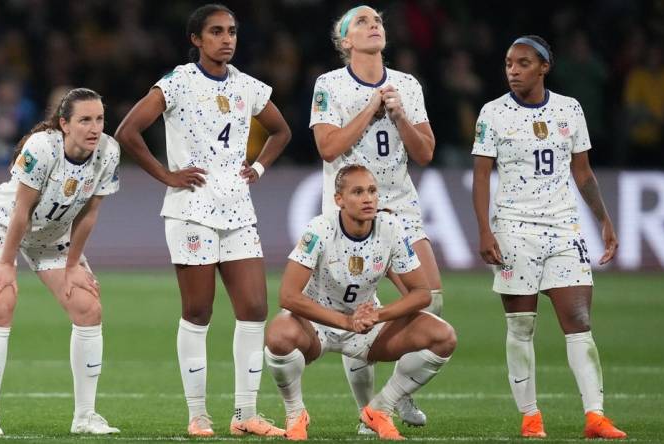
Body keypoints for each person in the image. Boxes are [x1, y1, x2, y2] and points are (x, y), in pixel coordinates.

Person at [114, 4, 291, 438]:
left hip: (237, 208)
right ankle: (198, 415)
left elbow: (281, 131)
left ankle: (245, 413)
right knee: (199, 310)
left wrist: (260, 168)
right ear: (196, 40)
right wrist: (166, 176)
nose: (227, 39)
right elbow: (127, 132)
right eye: (216, 32)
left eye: (231, 31)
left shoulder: (248, 86)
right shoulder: (177, 82)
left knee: (254, 308)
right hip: (191, 209)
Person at [471, 35, 627, 440]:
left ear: (544, 67)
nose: (513, 70)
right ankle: (531, 418)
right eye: (508, 63)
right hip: (514, 229)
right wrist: (485, 229)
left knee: (578, 321)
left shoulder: (569, 109)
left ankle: (595, 416)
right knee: (521, 326)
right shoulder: (493, 113)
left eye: (523, 63)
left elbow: (583, 172)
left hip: (563, 227)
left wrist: (605, 221)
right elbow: (482, 175)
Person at [309, 5, 440, 432]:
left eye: (378, 20)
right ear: (345, 41)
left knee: (430, 302)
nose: (374, 25)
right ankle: (369, 412)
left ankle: (394, 398)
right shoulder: (329, 85)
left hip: (400, 207)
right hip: (348, 212)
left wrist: (399, 114)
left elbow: (425, 153)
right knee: (355, 318)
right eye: (362, 22)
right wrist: (370, 108)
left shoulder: (407, 85)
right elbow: (328, 148)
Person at [264, 164, 456, 440]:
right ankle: (296, 414)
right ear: (338, 199)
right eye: (357, 192)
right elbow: (288, 296)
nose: (368, 198)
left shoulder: (390, 227)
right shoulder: (320, 228)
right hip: (318, 326)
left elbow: (421, 294)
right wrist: (345, 321)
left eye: (372, 191)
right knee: (279, 335)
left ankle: (380, 408)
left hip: (366, 326)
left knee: (443, 336)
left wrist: (378, 315)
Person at [0, 88, 120, 435]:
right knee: (1, 303)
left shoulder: (109, 152)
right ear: (65, 124)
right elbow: (21, 210)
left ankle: (85, 417)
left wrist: (72, 266)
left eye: (99, 119)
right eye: (85, 120)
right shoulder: (42, 148)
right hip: (1, 223)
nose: (94, 127)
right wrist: (6, 264)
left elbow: (89, 214)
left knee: (88, 308)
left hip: (51, 235)